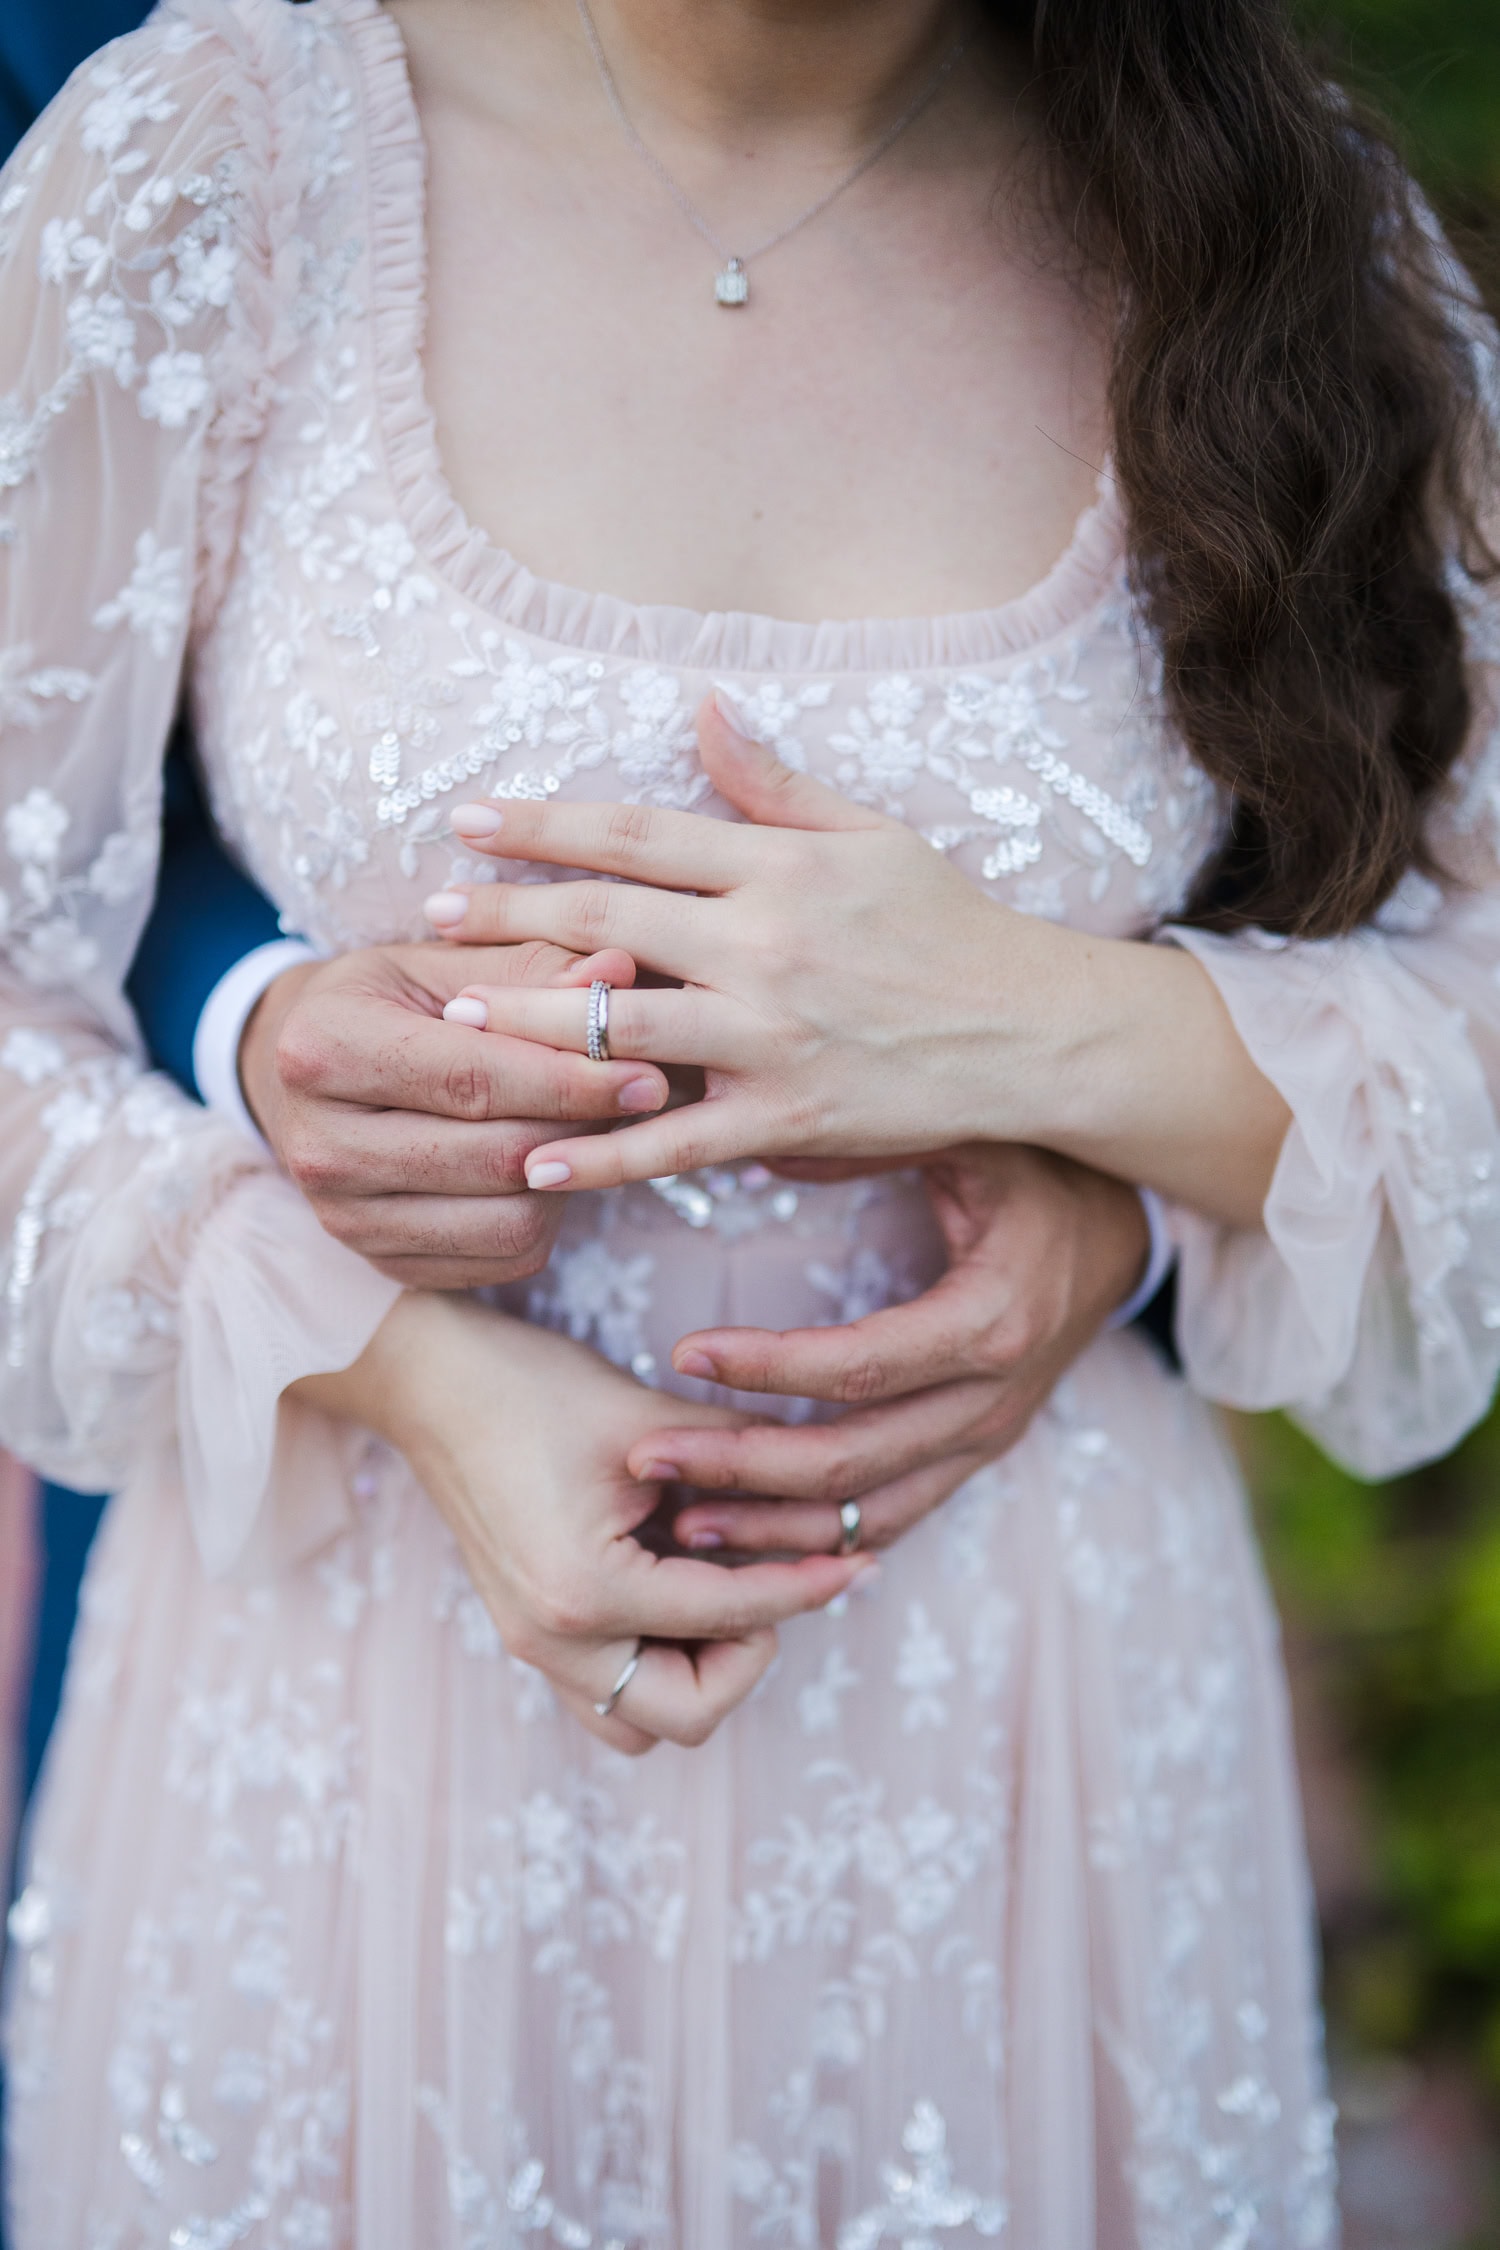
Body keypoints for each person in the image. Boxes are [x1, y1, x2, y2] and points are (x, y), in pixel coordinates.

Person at [1, 0, 1497, 2240]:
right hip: (353, 1760)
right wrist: (373, 1343)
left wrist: (1061, 1053)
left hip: (1029, 1760)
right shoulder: (216, 164)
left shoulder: (1295, 235)